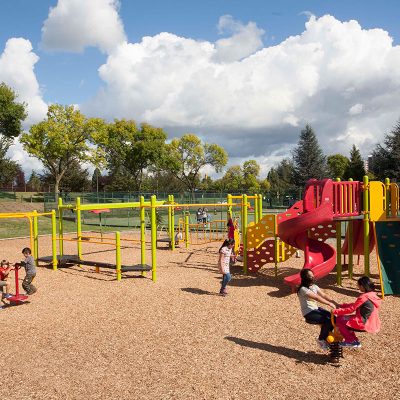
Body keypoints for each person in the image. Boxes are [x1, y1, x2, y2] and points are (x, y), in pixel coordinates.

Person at [333, 276, 381, 349]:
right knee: (346, 320)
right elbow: (357, 305)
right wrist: (342, 305)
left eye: (358, 285)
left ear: (362, 286)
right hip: (372, 322)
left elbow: (351, 309)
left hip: (364, 323)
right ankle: (355, 341)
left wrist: (335, 311)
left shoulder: (364, 296)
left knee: (340, 319)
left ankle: (350, 340)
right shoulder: (372, 295)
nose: (358, 287)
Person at [297, 268, 338, 350]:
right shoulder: (303, 289)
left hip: (316, 309)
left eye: (312, 275)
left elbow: (323, 295)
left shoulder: (314, 286)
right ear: (304, 277)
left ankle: (327, 337)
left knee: (334, 318)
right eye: (309, 276)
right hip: (309, 312)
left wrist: (334, 302)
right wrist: (329, 303)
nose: (312, 277)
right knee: (328, 320)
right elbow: (316, 297)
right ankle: (321, 339)